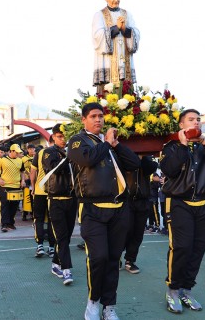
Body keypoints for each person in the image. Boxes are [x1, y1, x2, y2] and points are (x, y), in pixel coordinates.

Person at [67, 102, 141, 320]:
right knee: (98, 258)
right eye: (93, 116)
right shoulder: (77, 141)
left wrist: (116, 145)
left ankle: (109, 306)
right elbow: (87, 159)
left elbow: (134, 163)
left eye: (101, 116)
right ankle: (93, 301)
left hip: (119, 209)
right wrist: (107, 144)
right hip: (92, 209)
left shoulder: (109, 145)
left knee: (113, 259)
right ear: (84, 120)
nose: (98, 120)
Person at [160, 109, 205, 314]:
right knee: (181, 247)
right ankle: (172, 289)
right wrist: (183, 145)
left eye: (198, 120)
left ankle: (186, 289)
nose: (196, 122)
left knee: (199, 247)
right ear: (181, 124)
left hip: (204, 203)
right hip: (180, 203)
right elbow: (169, 169)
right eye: (191, 120)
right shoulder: (171, 146)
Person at [42, 124, 78, 285]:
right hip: (55, 200)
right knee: (62, 237)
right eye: (60, 136)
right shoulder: (48, 152)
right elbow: (54, 169)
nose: (63, 139)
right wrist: (69, 157)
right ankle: (66, 270)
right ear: (53, 137)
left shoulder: (72, 153)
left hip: (72, 200)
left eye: (65, 136)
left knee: (66, 237)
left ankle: (56, 264)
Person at [92, 0, 140, 89]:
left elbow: (136, 33)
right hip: (108, 62)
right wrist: (116, 28)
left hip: (124, 61)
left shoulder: (127, 14)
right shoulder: (99, 15)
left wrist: (124, 29)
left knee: (127, 95)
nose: (116, 0)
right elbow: (97, 36)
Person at [123, 156, 158, 274]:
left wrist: (144, 157)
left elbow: (152, 168)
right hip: (126, 200)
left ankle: (130, 260)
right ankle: (115, 256)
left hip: (143, 201)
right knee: (124, 231)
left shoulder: (146, 160)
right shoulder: (124, 155)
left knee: (138, 233)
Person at [0, 144, 26, 232]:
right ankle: (4, 224)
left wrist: (23, 180)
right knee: (5, 205)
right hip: (5, 186)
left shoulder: (20, 161)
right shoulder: (2, 160)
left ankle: (11, 223)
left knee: (14, 206)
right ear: (11, 151)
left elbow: (22, 171)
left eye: (19, 152)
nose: (18, 154)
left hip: (16, 186)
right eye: (17, 152)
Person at [31, 137, 56, 258]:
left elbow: (32, 172)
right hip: (54, 192)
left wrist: (33, 187)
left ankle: (40, 245)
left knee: (38, 218)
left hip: (40, 191)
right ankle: (51, 247)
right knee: (52, 220)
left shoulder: (40, 153)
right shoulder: (62, 152)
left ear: (48, 142)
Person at [21, 144, 36, 221]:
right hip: (27, 180)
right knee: (26, 197)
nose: (31, 150)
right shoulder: (23, 158)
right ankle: (24, 214)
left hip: (35, 180)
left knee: (33, 198)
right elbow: (21, 169)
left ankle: (33, 213)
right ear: (27, 150)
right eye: (30, 149)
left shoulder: (36, 157)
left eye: (33, 148)